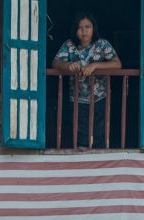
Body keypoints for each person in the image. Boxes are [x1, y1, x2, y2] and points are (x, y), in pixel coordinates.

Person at [51, 12, 121, 148]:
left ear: (93, 28)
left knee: (99, 131)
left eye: (87, 27)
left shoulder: (102, 44)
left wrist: (95, 65)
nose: (84, 31)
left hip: (100, 97)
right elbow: (55, 62)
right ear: (75, 30)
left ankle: (99, 159)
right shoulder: (69, 45)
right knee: (80, 132)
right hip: (77, 98)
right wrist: (68, 65)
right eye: (80, 27)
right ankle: (82, 161)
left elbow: (117, 64)